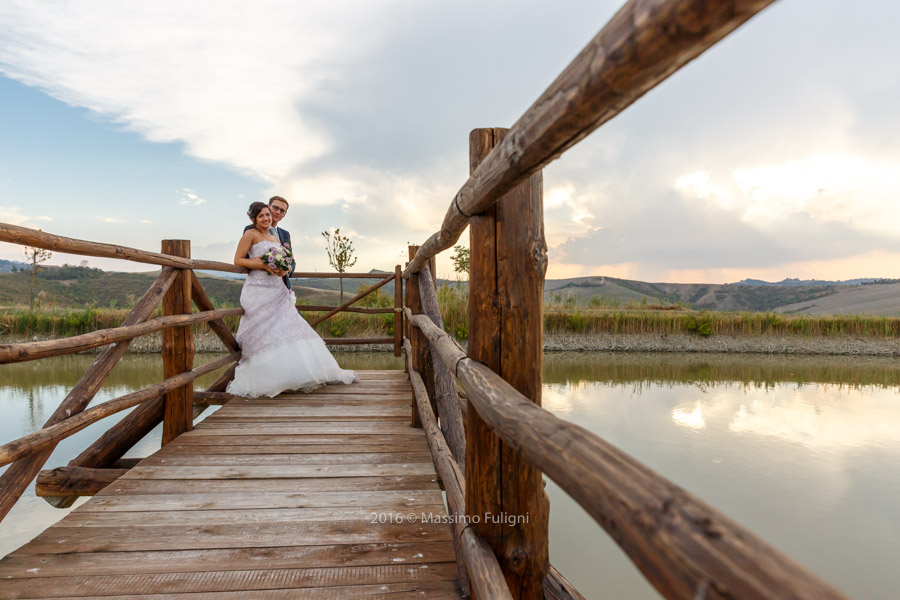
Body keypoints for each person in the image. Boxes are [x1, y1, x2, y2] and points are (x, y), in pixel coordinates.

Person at [227, 201, 358, 397]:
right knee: (261, 329)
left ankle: (293, 373)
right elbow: (238, 260)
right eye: (262, 215)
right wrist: (262, 264)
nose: (266, 218)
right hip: (258, 289)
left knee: (287, 326)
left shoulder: (276, 238)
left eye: (267, 216)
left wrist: (285, 268)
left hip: (277, 288)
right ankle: (266, 376)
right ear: (254, 218)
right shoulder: (250, 234)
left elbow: (288, 260)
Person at [242, 195, 294, 290]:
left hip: (283, 287)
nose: (278, 212)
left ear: (284, 214)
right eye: (275, 207)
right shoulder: (250, 230)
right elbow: (245, 258)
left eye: (282, 210)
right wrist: (265, 265)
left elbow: (291, 260)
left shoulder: (285, 234)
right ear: (268, 206)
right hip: (260, 285)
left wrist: (287, 269)